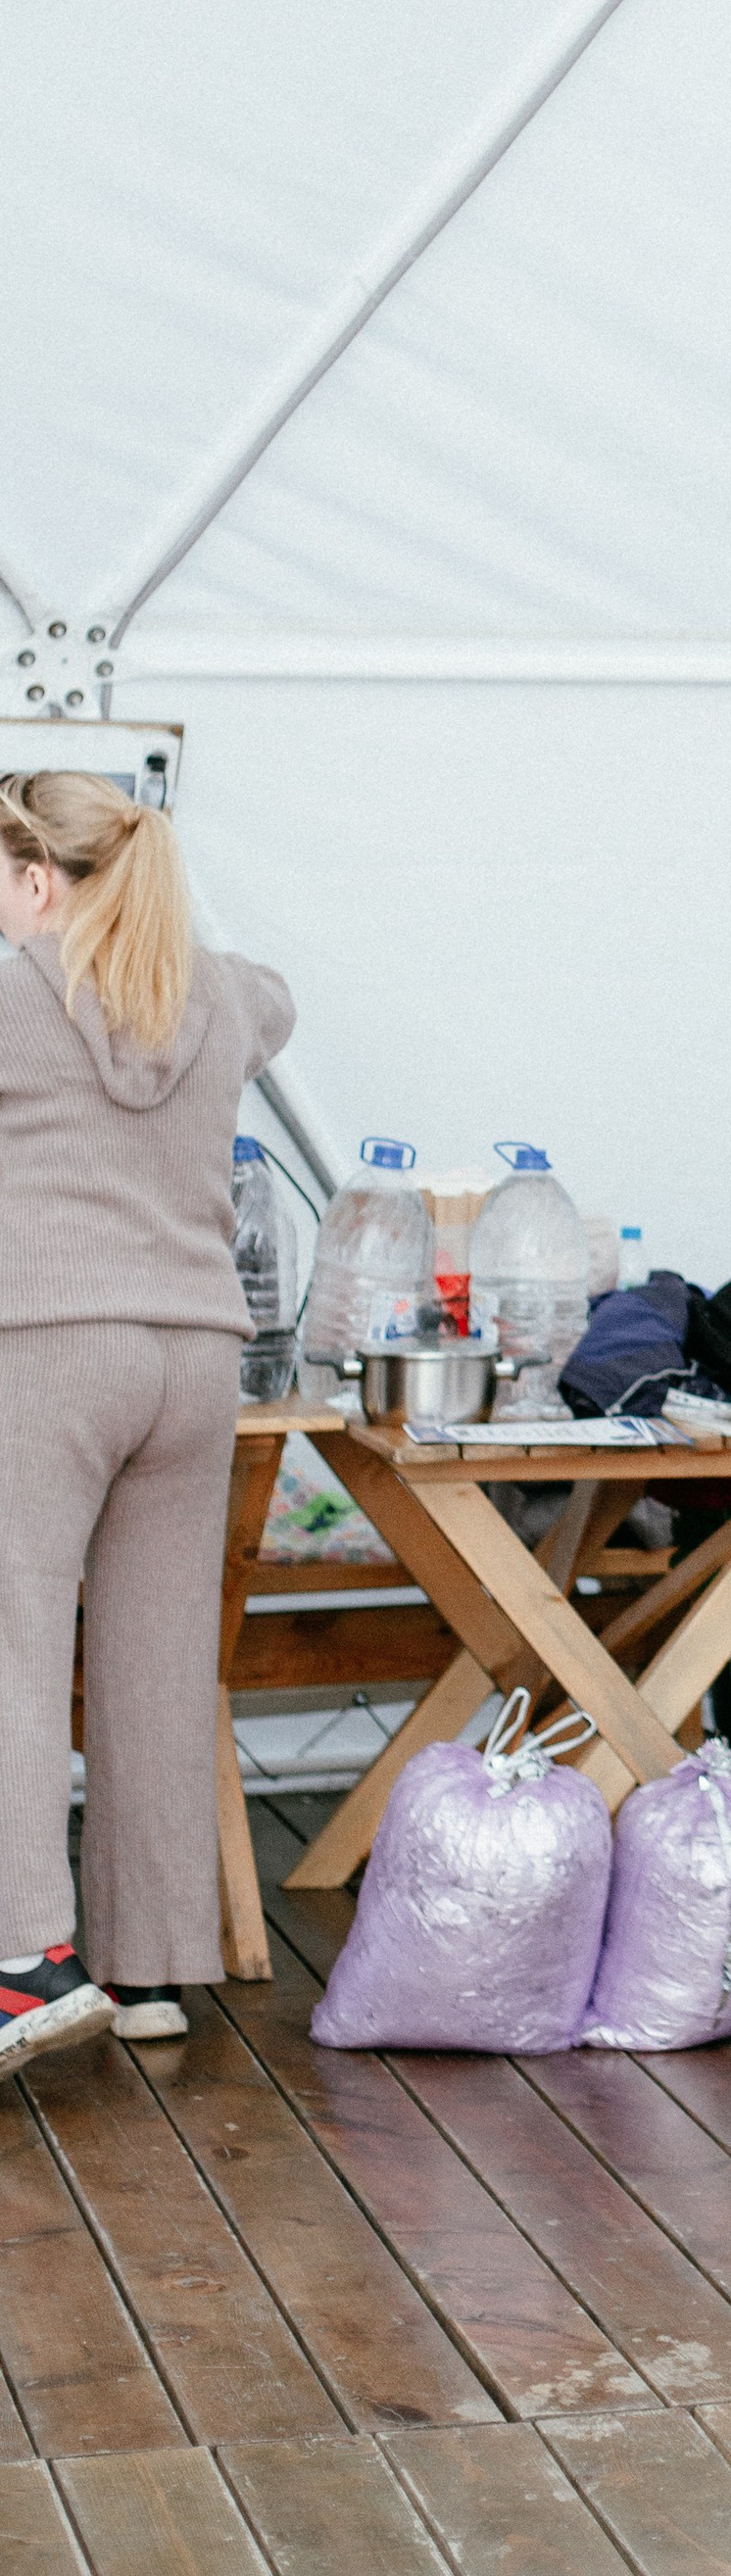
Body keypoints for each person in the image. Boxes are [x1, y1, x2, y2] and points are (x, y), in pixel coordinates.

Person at [0, 772, 295, 2077]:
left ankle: (21, 1959)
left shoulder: (16, 992)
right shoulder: (222, 994)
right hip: (196, 1362)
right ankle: (154, 1964)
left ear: (35, 878)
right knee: (160, 1665)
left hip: (52, 1350)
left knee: (13, 1648)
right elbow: (276, 999)